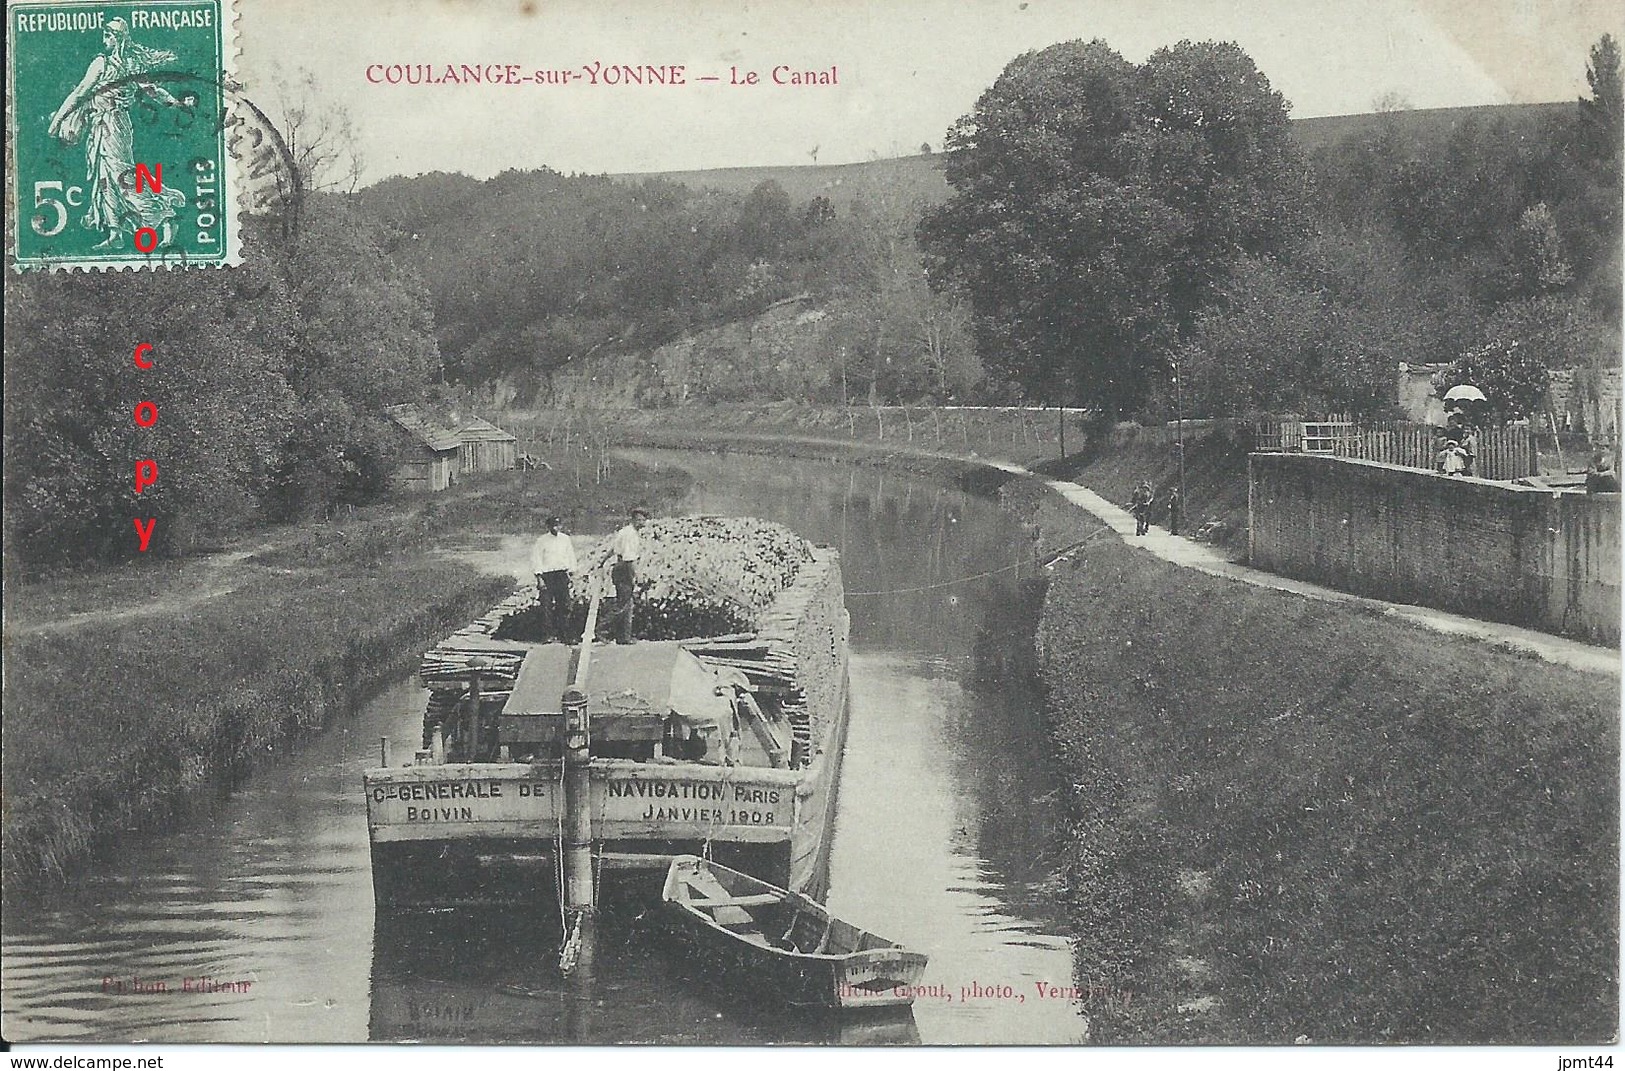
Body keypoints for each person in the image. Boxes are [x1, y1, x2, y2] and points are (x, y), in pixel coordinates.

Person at [47, 18, 189, 250]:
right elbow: (154, 92)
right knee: (105, 178)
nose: (104, 41)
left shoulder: (104, 64)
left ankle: (164, 212)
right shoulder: (129, 63)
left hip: (113, 125)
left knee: (122, 175)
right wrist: (175, 103)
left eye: (108, 36)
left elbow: (79, 94)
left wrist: (56, 121)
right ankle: (115, 233)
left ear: (118, 38)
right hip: (105, 125)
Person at [603, 507, 649, 644]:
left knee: (628, 605)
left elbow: (613, 549)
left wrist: (603, 560)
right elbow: (629, 559)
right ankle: (601, 629)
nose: (642, 523)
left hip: (621, 567)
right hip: (624, 568)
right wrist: (637, 576)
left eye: (644, 520)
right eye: (640, 520)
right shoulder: (630, 535)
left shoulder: (625, 532)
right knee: (623, 604)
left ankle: (624, 637)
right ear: (634, 520)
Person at [531, 515, 577, 641]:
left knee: (564, 605)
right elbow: (536, 560)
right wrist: (539, 578)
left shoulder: (565, 539)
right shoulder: (542, 541)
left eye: (558, 525)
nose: (556, 528)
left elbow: (571, 557)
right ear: (549, 526)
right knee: (546, 606)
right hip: (548, 576)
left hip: (561, 575)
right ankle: (547, 635)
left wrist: (571, 574)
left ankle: (564, 634)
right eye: (554, 525)